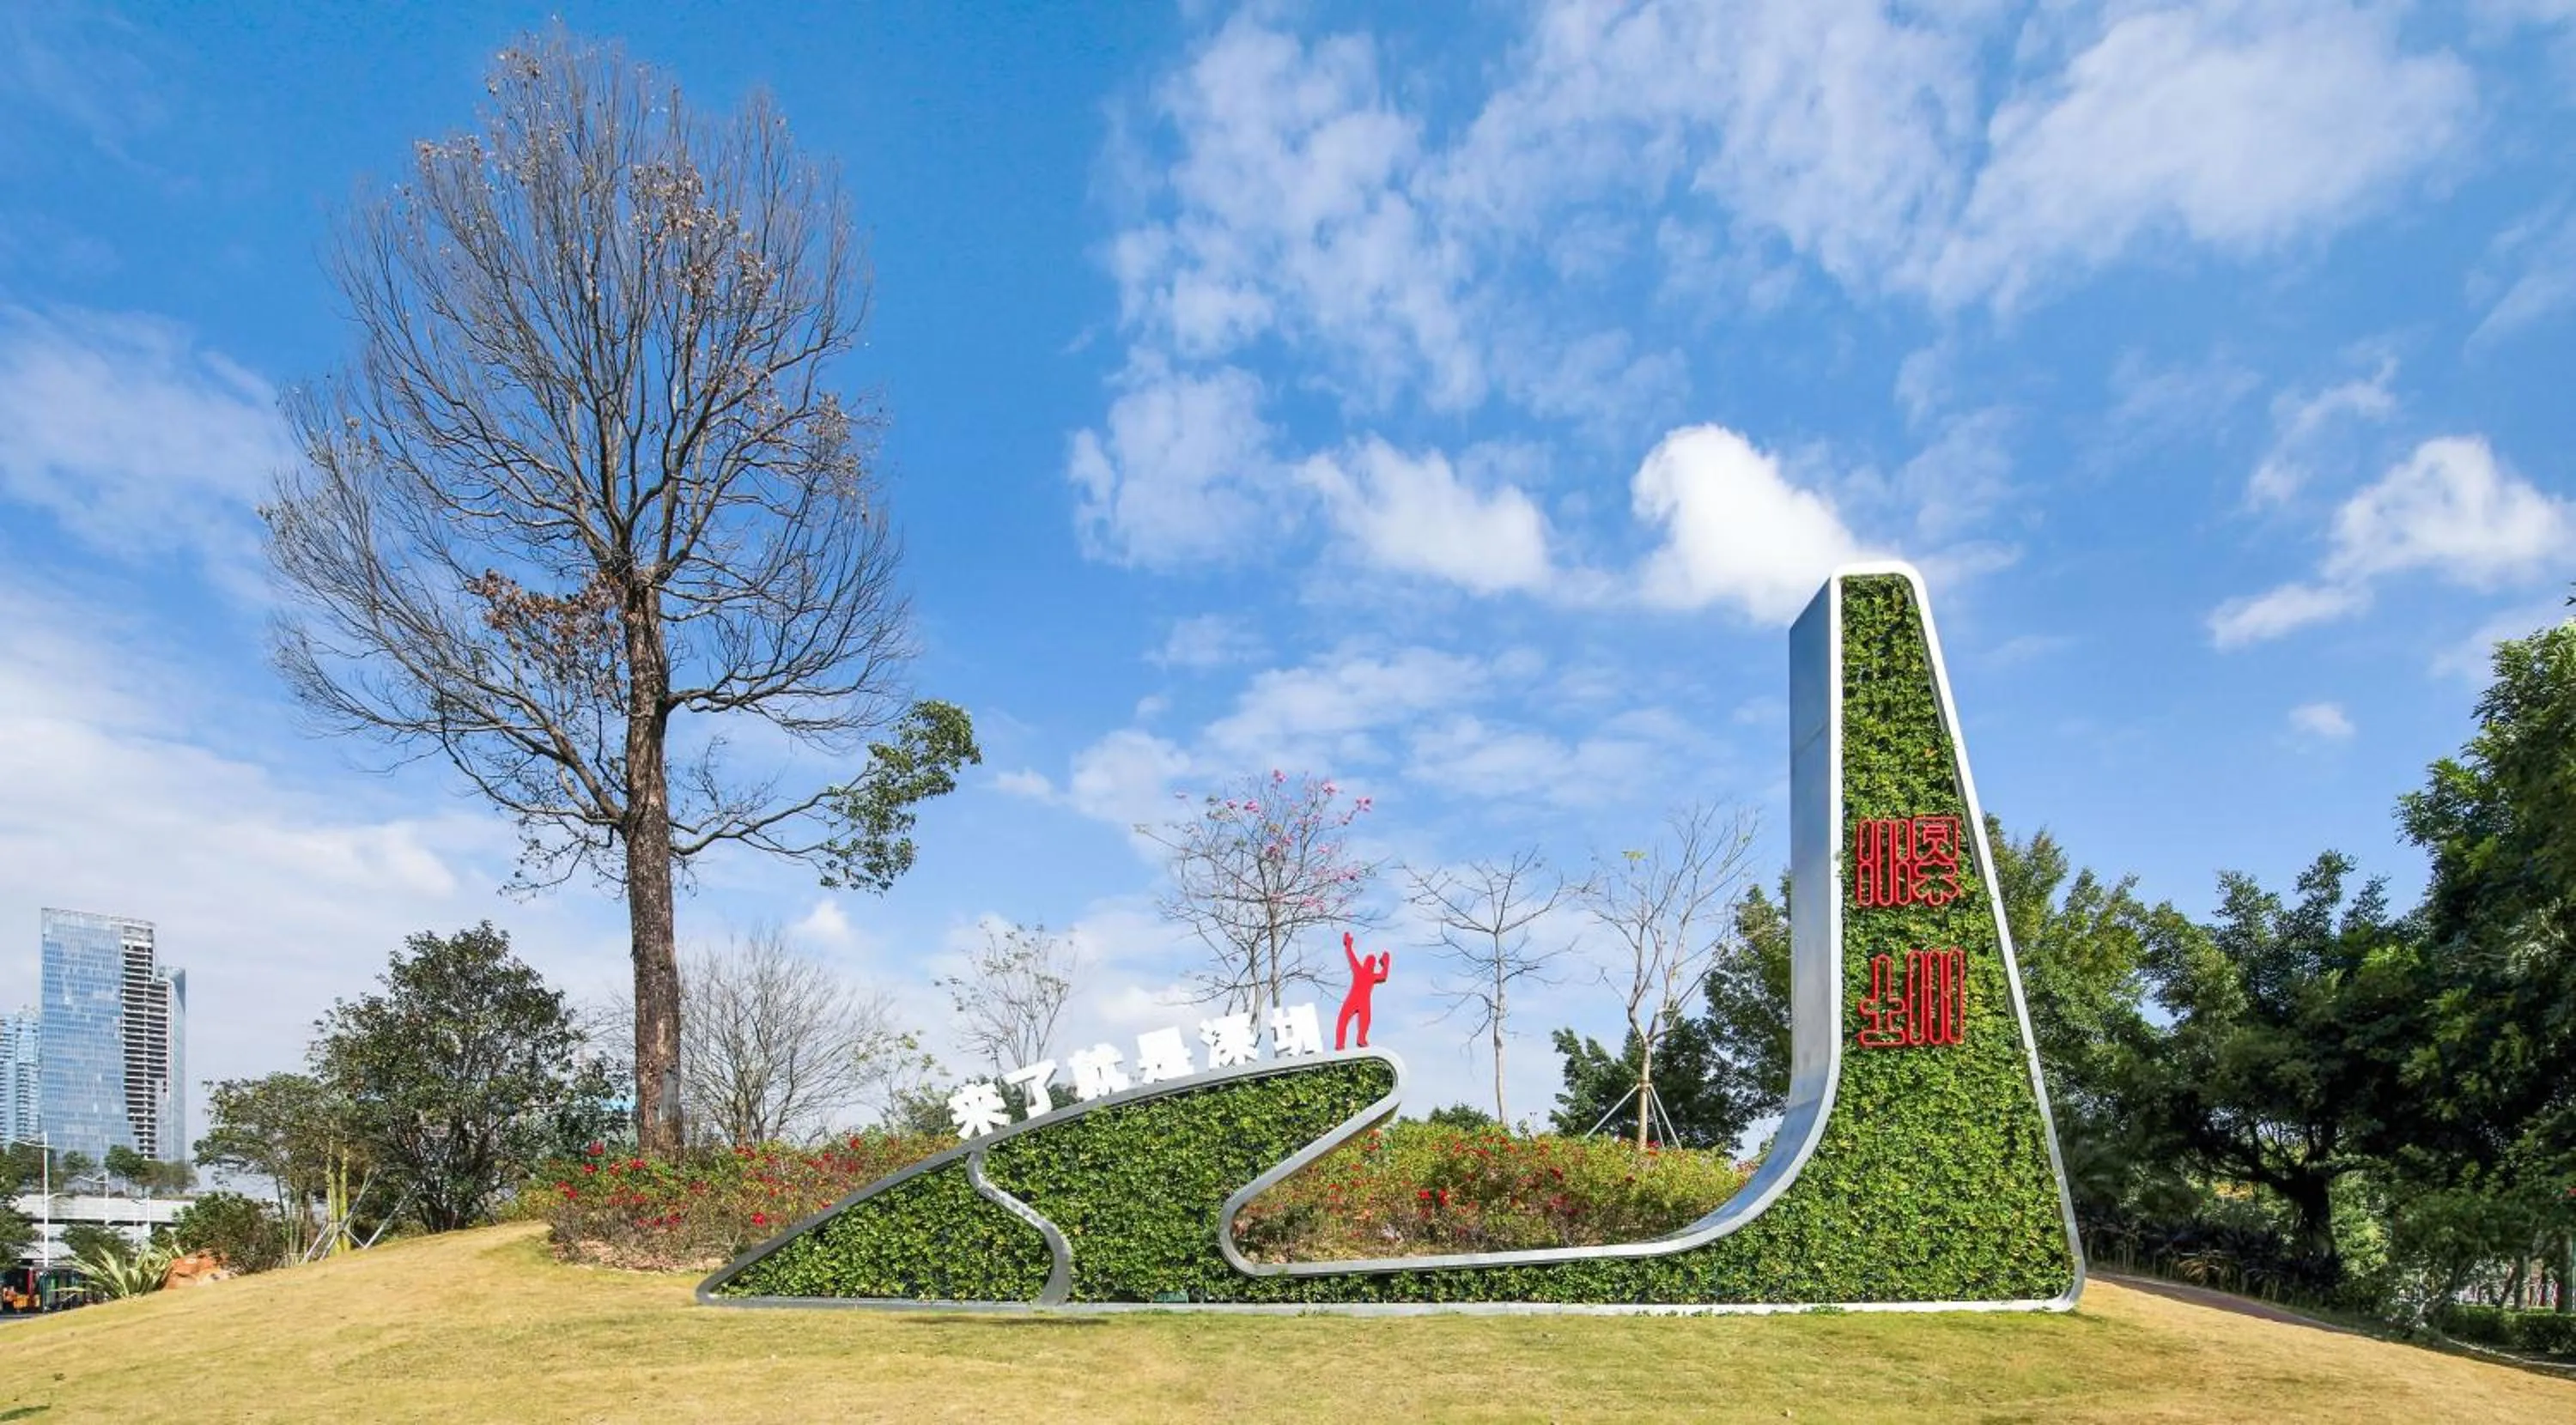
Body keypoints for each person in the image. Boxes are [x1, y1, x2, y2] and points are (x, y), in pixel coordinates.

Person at [1334, 931, 1390, 1050]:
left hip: (1359, 1000)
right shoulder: (1365, 972)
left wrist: (1386, 962)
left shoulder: (1363, 971)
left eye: (1371, 962)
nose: (1370, 964)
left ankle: (1358, 1040)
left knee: (1360, 1020)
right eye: (1370, 962)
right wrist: (1385, 963)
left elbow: (1383, 976)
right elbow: (1383, 975)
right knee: (1344, 1020)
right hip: (1357, 999)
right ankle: (1342, 1044)